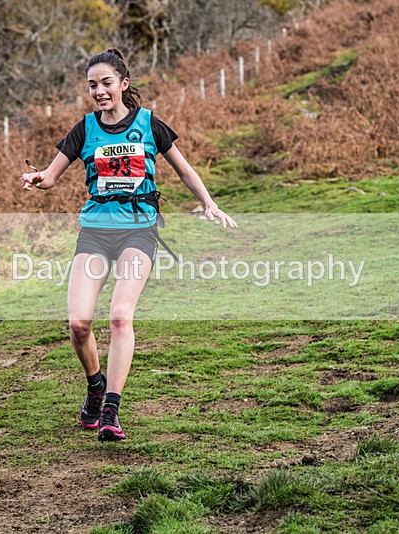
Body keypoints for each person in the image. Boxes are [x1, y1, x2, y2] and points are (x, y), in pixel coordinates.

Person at [20, 48, 237, 441]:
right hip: (95, 232)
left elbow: (184, 170)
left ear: (123, 83)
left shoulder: (149, 124)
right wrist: (38, 180)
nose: (99, 91)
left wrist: (209, 204)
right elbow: (52, 176)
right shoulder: (84, 129)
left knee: (120, 315)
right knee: (78, 323)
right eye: (92, 85)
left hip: (139, 230)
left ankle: (111, 411)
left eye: (106, 83)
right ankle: (94, 386)